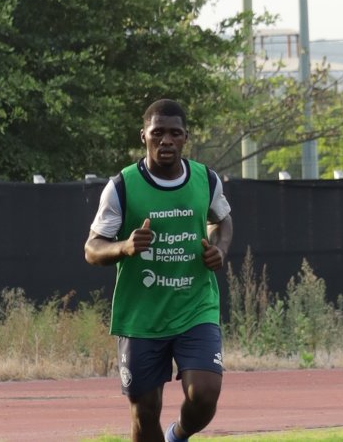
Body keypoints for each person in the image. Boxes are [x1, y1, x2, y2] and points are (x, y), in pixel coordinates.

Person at [84, 99, 234, 442]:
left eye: (174, 133)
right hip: (141, 316)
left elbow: (223, 219)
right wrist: (124, 247)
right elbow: (92, 249)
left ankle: (178, 434)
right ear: (144, 136)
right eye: (158, 133)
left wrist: (220, 249)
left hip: (195, 306)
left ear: (185, 138)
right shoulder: (121, 186)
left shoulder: (205, 179)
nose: (166, 140)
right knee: (144, 413)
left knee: (205, 393)